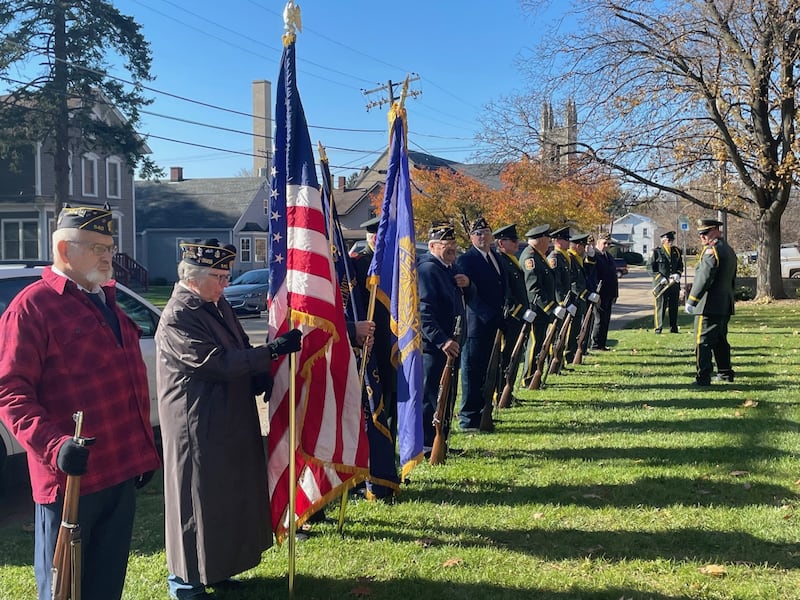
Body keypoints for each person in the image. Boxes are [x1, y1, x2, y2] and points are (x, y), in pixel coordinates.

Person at [0, 204, 161, 600]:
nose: (108, 256)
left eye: (109, 247)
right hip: (70, 479)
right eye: (95, 247)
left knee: (106, 585)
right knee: (64, 589)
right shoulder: (32, 307)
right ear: (64, 250)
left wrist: (142, 452)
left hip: (119, 470)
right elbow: (10, 391)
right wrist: (55, 447)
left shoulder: (107, 301)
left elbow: (127, 382)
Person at [155, 239, 301, 599]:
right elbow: (214, 363)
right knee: (195, 499)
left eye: (226, 276)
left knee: (224, 497)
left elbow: (236, 350)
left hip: (227, 416)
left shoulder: (216, 305)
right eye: (218, 276)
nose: (225, 284)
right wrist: (271, 352)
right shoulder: (179, 313)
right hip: (197, 422)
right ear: (192, 276)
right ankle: (185, 582)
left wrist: (258, 375)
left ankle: (217, 568)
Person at [351, 216, 399, 499]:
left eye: (380, 235)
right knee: (368, 413)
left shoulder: (395, 265)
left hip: (389, 346)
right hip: (367, 347)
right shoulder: (357, 265)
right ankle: (366, 475)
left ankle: (385, 470)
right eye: (372, 235)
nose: (376, 240)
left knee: (388, 410)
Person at [418, 222, 471, 454]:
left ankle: (443, 441)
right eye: (445, 245)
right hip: (435, 347)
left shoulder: (450, 267)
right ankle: (428, 444)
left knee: (447, 395)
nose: (451, 249)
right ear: (432, 245)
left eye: (453, 245)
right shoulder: (428, 269)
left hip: (453, 343)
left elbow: (465, 298)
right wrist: (442, 340)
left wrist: (468, 285)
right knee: (432, 396)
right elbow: (424, 313)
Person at [455, 216, 506, 431]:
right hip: (476, 323)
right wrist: (488, 315)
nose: (482, 237)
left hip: (494, 322)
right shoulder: (466, 260)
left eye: (486, 232)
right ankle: (468, 418)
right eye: (478, 234)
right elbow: (468, 294)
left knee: (488, 370)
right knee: (472, 371)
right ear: (471, 237)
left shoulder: (495, 256)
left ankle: (484, 412)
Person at [684, 219, 737, 386]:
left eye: (705, 233)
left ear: (716, 230)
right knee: (720, 340)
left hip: (708, 305)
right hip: (723, 304)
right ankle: (725, 372)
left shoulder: (712, 250)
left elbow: (704, 277)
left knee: (702, 341)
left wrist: (692, 300)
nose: (702, 237)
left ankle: (703, 377)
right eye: (700, 233)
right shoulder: (728, 250)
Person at [519, 224, 562, 385]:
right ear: (541, 239)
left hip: (541, 311)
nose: (549, 242)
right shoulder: (531, 258)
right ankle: (528, 378)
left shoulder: (538, 256)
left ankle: (534, 375)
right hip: (536, 310)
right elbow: (534, 289)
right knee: (534, 344)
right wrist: (551, 307)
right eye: (547, 238)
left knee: (539, 343)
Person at [493, 224, 529, 406]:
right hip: (510, 318)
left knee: (513, 356)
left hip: (517, 318)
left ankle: (507, 392)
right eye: (513, 240)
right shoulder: (501, 261)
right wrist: (520, 311)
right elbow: (507, 294)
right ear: (501, 242)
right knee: (505, 357)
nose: (517, 243)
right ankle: (500, 393)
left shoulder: (510, 260)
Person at [566, 233, 599, 363]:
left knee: (577, 329)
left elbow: (586, 274)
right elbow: (574, 282)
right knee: (571, 330)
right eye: (584, 246)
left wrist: (591, 258)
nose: (586, 248)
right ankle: (568, 356)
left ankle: (573, 354)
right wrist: (586, 294)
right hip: (573, 300)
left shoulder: (577, 258)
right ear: (578, 246)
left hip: (579, 300)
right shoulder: (570, 258)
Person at [547, 226, 575, 369]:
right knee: (556, 334)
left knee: (563, 334)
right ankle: (554, 363)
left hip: (565, 301)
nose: (568, 242)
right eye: (565, 240)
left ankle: (560, 363)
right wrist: (562, 303)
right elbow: (556, 284)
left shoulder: (564, 258)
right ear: (557, 241)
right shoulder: (554, 258)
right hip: (559, 303)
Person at [588, 233, 619, 351]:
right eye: (604, 243)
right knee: (599, 320)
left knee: (606, 319)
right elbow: (592, 276)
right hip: (599, 293)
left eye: (608, 243)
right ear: (598, 243)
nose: (606, 246)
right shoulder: (594, 256)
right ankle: (595, 344)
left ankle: (602, 343)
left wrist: (615, 293)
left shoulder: (609, 257)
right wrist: (595, 293)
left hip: (609, 293)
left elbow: (613, 277)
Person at [650, 230, 683, 333]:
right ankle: (658, 328)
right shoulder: (656, 252)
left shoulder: (676, 251)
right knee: (661, 306)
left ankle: (673, 327)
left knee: (674, 307)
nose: (671, 242)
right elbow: (650, 268)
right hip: (661, 285)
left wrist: (678, 274)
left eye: (672, 240)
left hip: (673, 284)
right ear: (663, 240)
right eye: (669, 240)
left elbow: (680, 265)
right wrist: (660, 278)